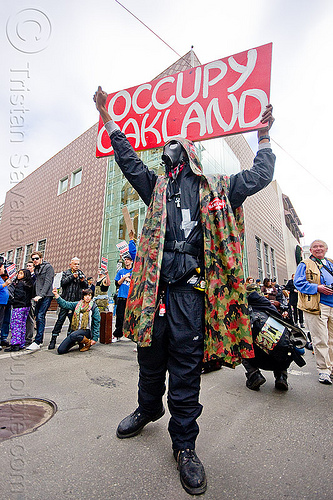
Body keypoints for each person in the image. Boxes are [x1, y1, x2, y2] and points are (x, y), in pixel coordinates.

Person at [94, 86, 275, 495]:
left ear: (192, 153)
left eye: (177, 145)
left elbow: (262, 175)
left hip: (193, 297)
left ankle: (185, 447)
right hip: (155, 293)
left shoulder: (219, 187)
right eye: (168, 147)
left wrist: (263, 135)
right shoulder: (157, 188)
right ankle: (147, 407)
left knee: (187, 367)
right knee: (149, 355)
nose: (170, 151)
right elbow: (126, 160)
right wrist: (107, 118)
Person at [294, 240, 333, 385]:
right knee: (320, 339)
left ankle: (331, 367)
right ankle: (324, 370)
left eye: (321, 246)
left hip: (332, 305)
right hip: (316, 306)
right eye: (315, 247)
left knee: (331, 339)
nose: (318, 249)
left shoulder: (330, 263)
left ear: (326, 249)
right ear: (310, 250)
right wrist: (318, 288)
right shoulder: (305, 264)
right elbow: (298, 283)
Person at [49, 257, 88, 350]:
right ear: (70, 264)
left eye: (78, 264)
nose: (76, 266)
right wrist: (72, 277)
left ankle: (69, 340)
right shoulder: (66, 273)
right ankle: (53, 339)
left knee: (74, 323)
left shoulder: (81, 273)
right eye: (75, 264)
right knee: (60, 321)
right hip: (65, 301)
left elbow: (86, 286)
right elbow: (63, 283)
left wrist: (83, 281)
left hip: (76, 302)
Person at [52, 288, 100, 354]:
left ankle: (87, 343)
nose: (87, 297)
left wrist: (95, 338)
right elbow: (65, 304)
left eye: (89, 295)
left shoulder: (94, 307)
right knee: (61, 350)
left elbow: (96, 323)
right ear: (83, 296)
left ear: (91, 296)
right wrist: (56, 295)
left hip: (87, 330)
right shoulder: (78, 304)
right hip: (76, 331)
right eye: (86, 295)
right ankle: (79, 341)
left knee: (73, 335)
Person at [26, 251, 54, 351]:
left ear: (41, 258)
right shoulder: (36, 269)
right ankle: (39, 339)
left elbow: (48, 282)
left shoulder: (48, 267)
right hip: (38, 296)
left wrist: (41, 295)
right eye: (33, 259)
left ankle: (37, 341)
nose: (35, 261)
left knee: (40, 316)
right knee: (38, 317)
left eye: (37, 258)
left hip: (46, 296)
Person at [113, 235, 137, 342]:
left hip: (131, 297)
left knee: (131, 317)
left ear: (132, 261)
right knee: (119, 317)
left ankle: (132, 335)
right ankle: (118, 334)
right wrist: (124, 278)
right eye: (125, 260)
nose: (126, 261)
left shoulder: (134, 271)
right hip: (121, 297)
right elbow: (117, 283)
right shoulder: (121, 271)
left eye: (128, 260)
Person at [4, 269, 33, 352]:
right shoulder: (29, 284)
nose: (18, 275)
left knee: (15, 325)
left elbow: (18, 295)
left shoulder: (20, 284)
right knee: (22, 325)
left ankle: (15, 344)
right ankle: (21, 343)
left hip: (18, 306)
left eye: (21, 274)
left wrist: (11, 301)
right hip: (26, 306)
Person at [25, 261, 36, 347]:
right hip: (24, 299)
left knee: (30, 318)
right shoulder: (25, 277)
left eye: (30, 266)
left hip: (32, 298)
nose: (28, 267)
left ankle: (28, 338)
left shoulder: (35, 277)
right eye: (27, 266)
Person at [0, 262, 11, 351]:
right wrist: (5, 284)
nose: (4, 270)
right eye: (3, 268)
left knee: (3, 321)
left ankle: (2, 339)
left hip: (4, 303)